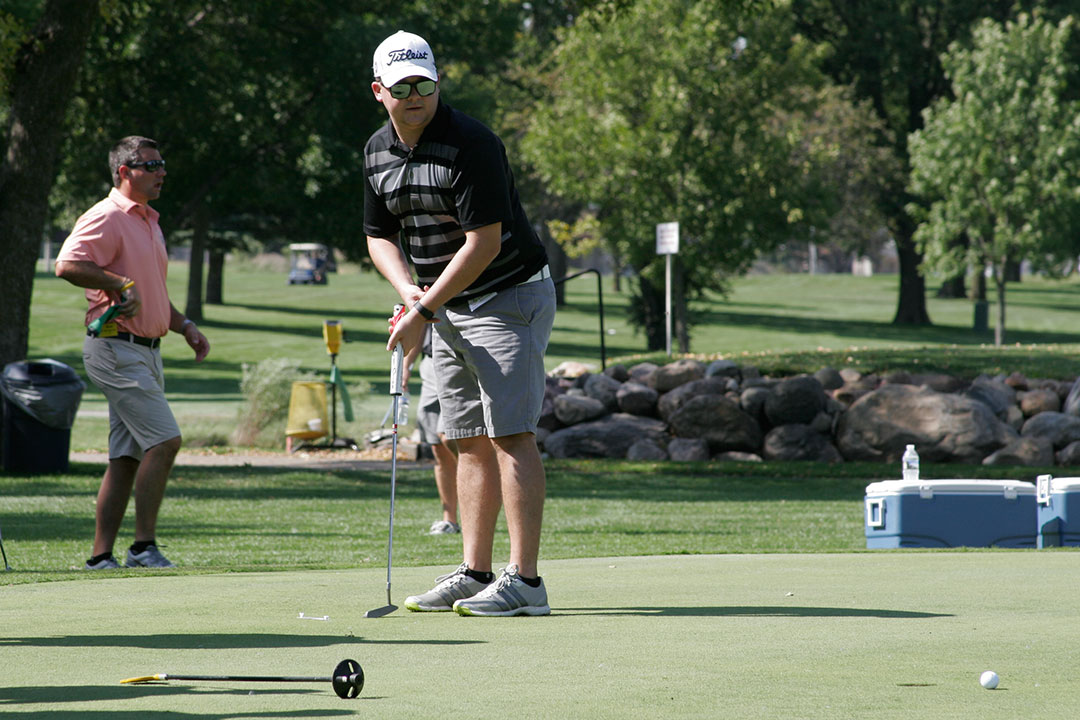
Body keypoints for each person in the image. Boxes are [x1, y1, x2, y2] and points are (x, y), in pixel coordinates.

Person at [364, 31, 556, 616]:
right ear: (381, 92)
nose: (417, 95)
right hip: (446, 304)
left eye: (425, 83)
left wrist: (422, 309)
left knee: (511, 433)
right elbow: (378, 237)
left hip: (506, 294)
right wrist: (410, 294)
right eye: (403, 88)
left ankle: (525, 582)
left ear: (437, 83)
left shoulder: (472, 142)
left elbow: (484, 243)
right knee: (465, 437)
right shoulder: (376, 151)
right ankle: (475, 572)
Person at [55, 135, 210, 570]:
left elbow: (153, 292)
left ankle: (100, 556)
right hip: (114, 347)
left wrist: (185, 326)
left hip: (145, 350)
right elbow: (66, 264)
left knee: (126, 457)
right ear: (125, 172)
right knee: (165, 440)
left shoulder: (149, 220)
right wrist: (115, 284)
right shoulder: (106, 216)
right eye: (152, 164)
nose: (163, 171)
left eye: (162, 163)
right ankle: (143, 547)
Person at [403, 326, 460, 536]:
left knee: (450, 438)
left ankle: (483, 496)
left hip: (458, 359)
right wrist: (406, 365)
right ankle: (449, 520)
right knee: (437, 446)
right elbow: (420, 323)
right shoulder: (423, 291)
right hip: (430, 363)